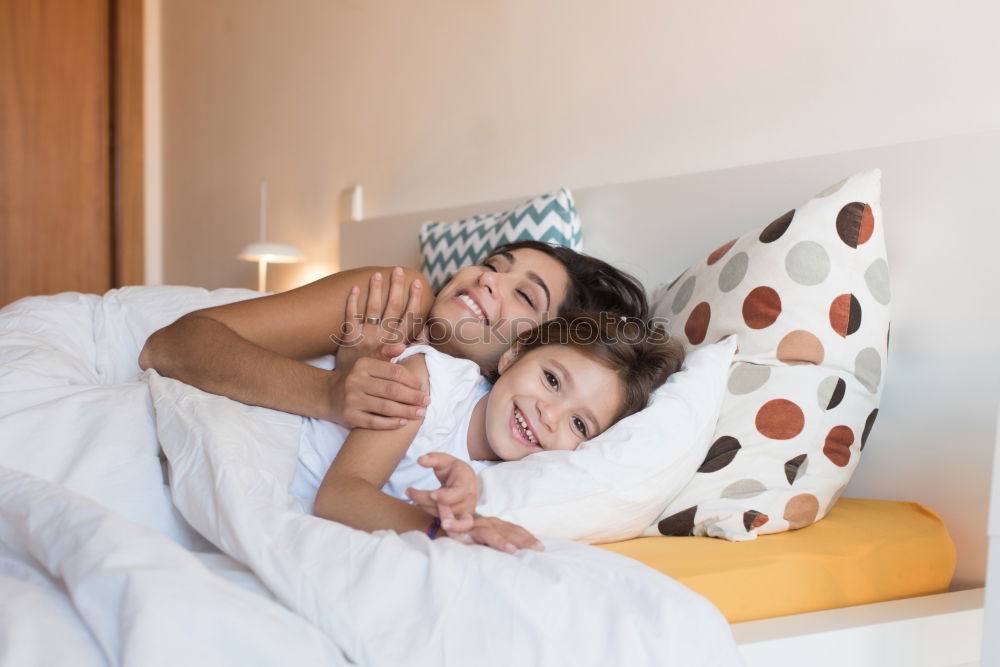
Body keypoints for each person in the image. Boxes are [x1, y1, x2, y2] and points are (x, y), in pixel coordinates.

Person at [140, 241, 649, 431]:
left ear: (529, 349)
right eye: (494, 264)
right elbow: (167, 346)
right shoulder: (398, 297)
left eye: (525, 297)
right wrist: (329, 393)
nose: (490, 279)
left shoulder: (493, 421)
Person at [295, 313, 684, 553]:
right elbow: (339, 496)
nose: (549, 415)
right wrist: (448, 531)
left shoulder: (516, 480)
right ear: (513, 354)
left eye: (579, 424)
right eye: (551, 380)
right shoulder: (429, 383)